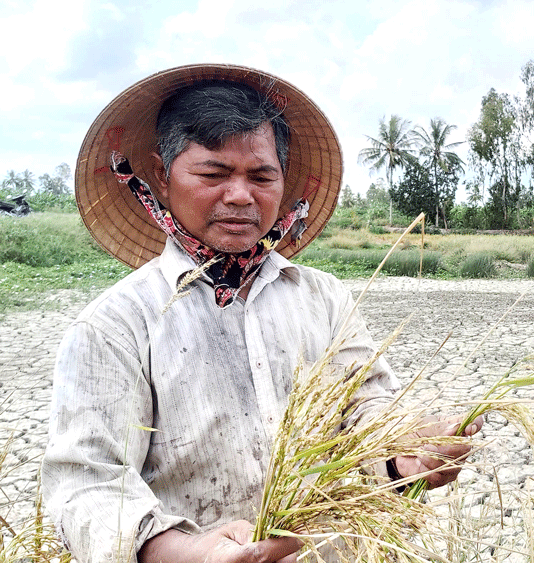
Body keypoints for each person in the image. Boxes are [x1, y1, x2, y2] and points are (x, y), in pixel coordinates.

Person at [41, 64, 481, 563]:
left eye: (261, 176)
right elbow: (88, 484)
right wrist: (191, 552)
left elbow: (367, 412)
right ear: (162, 178)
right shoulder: (115, 326)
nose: (240, 196)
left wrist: (402, 452)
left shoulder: (323, 299)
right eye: (213, 174)